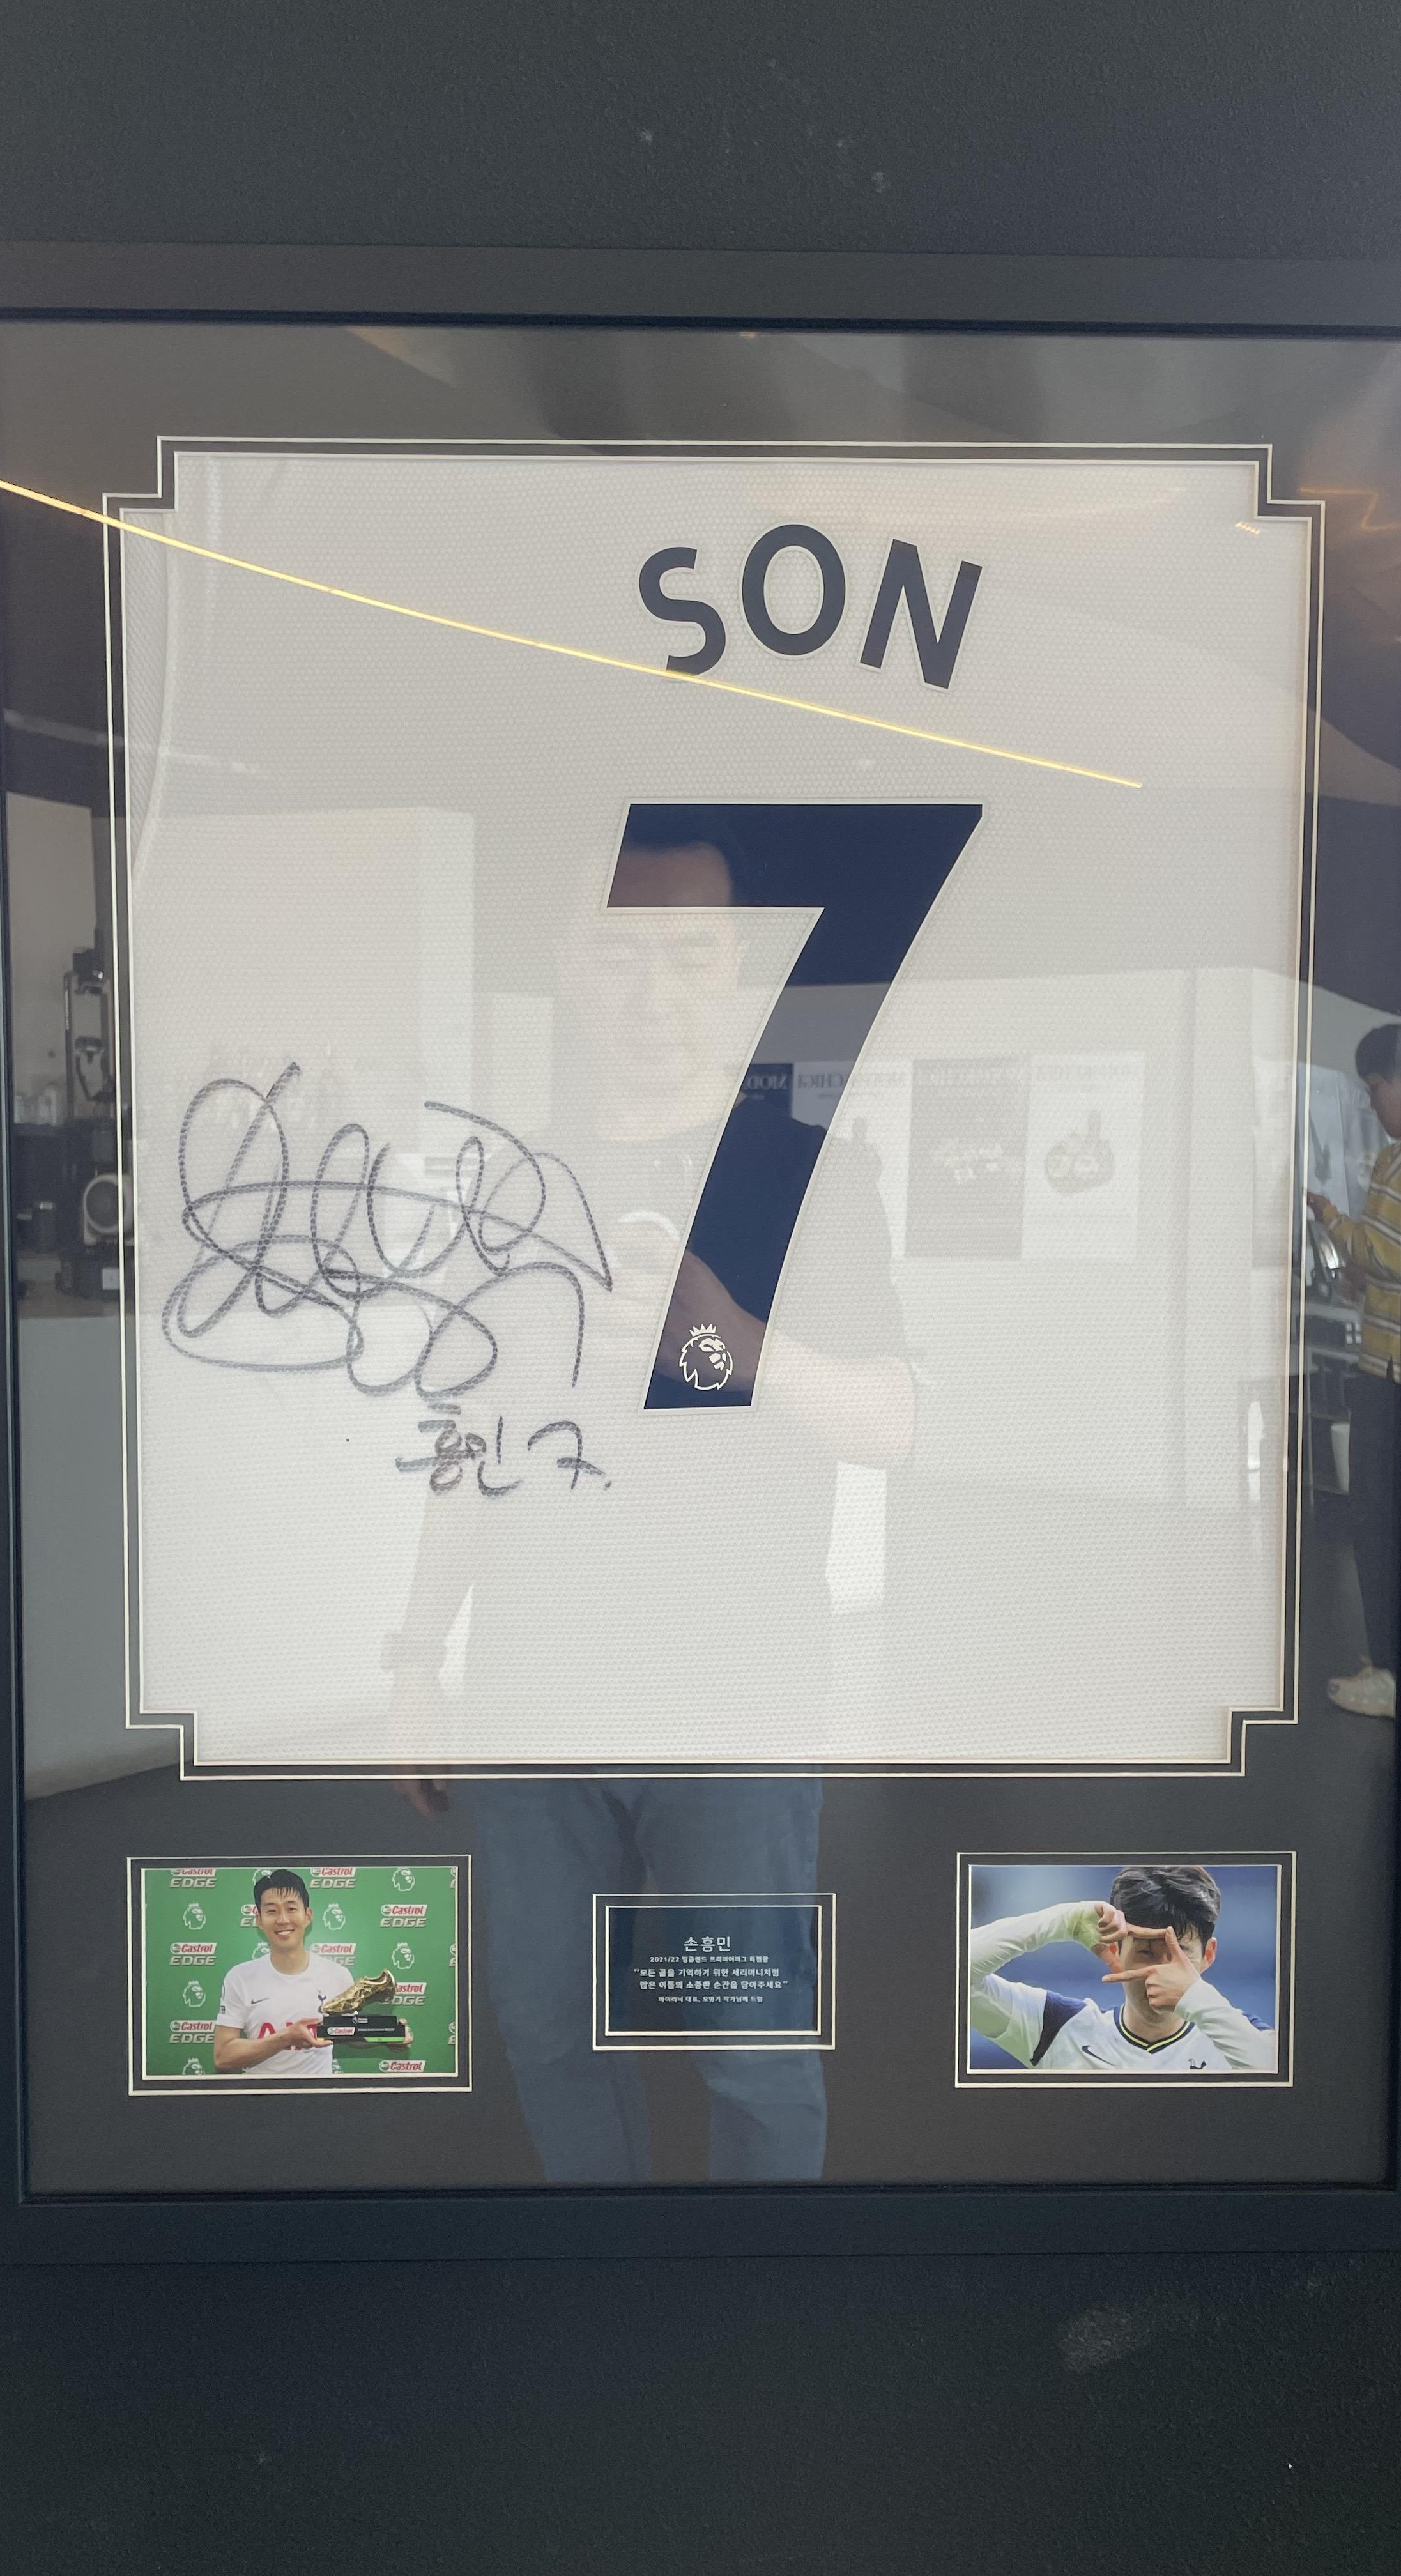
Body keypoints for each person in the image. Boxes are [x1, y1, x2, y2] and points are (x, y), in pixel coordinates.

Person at [386, 808, 914, 2181]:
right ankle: (602, 2272)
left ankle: (757, 2299)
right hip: (534, 1696)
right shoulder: (513, 1186)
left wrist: (737, 1345)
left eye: (690, 955)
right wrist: (414, 1657)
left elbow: (891, 1421)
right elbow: (471, 1437)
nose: (654, 993)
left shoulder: (800, 1178)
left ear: (731, 971)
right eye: (623, 954)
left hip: (727, 1694)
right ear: (571, 963)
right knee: (549, 2030)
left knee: (750, 2050)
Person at [1308, 1022, 1401, 1719]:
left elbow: (1387, 1253)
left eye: (1376, 1088)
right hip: (1385, 1361)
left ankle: (1394, 1671)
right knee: (1375, 1519)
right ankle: (1388, 1659)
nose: (1372, 1103)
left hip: (1392, 1371)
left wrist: (1333, 1221)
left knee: (1376, 1519)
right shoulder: (1398, 1158)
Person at [968, 1862, 1276, 2073]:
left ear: (1208, 1955)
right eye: (1146, 1952)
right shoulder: (1058, 2028)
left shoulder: (1238, 2036)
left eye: (1179, 1953)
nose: (1161, 1971)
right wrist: (1062, 1922)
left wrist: (1195, 1997)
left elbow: (1285, 2087)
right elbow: (952, 1975)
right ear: (1115, 1949)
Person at [210, 1868, 342, 2076]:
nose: (283, 1920)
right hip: (259, 2094)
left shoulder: (337, 1975)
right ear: (259, 1919)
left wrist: (388, 2036)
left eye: (291, 1909)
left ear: (308, 1916)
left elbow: (352, 2033)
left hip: (319, 2094)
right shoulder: (240, 1978)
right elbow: (223, 2057)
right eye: (272, 1911)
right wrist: (287, 2037)